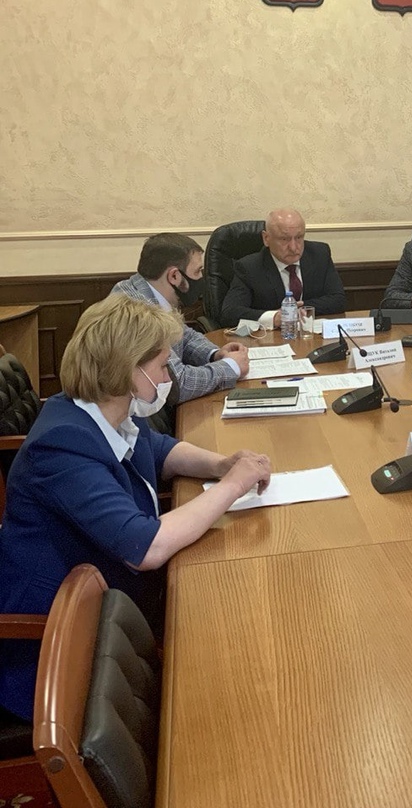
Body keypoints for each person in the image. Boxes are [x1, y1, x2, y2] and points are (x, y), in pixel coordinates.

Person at [0, 294, 271, 722]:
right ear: (129, 369)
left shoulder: (108, 410)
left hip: (114, 604)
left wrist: (221, 465)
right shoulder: (62, 443)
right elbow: (144, 547)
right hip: (58, 648)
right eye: (162, 365)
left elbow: (158, 449)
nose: (167, 376)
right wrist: (232, 486)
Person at [112, 232, 249, 405]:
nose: (201, 278)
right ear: (174, 276)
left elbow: (184, 335)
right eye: (197, 271)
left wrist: (214, 354)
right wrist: (231, 367)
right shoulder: (138, 313)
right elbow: (177, 384)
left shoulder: (150, 293)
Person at [220, 208, 346, 328]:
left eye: (299, 237)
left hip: (310, 335)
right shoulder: (249, 267)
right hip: (269, 339)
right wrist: (274, 317)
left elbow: (338, 300)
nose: (293, 247)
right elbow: (230, 313)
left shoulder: (319, 254)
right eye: (284, 239)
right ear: (266, 238)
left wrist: (298, 309)